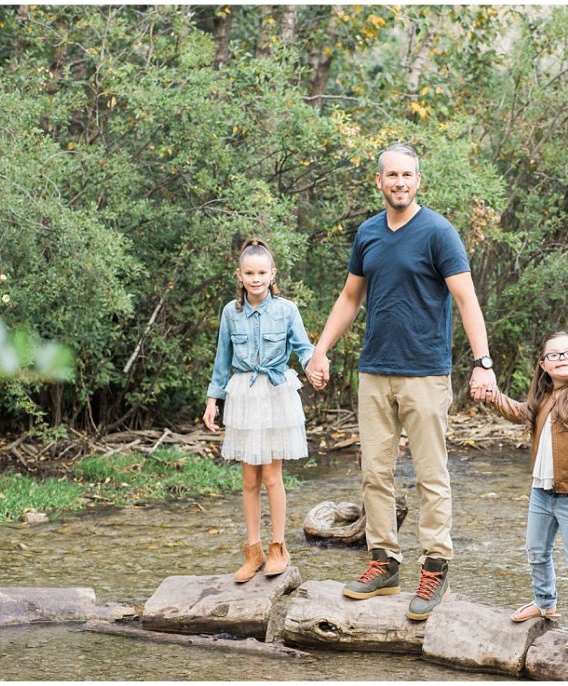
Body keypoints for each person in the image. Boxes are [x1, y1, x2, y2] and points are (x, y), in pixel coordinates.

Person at [305, 143, 497, 621]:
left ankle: (435, 566)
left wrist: (483, 361)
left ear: (418, 180)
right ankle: (384, 562)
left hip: (425, 373)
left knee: (432, 476)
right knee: (375, 473)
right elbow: (350, 298)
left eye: (407, 175)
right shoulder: (368, 233)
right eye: (391, 175)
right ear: (379, 181)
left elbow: (467, 301)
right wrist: (321, 348)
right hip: (374, 372)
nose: (399, 182)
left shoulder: (438, 233)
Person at [484, 331, 568, 650]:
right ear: (543, 364)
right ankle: (545, 602)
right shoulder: (544, 396)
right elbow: (520, 412)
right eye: (555, 355)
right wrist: (494, 396)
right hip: (543, 491)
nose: (564, 358)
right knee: (536, 551)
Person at [203, 238, 314, 583]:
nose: (256, 279)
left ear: (272, 273)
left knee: (271, 475)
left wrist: (314, 365)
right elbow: (222, 358)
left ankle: (278, 546)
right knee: (249, 477)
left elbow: (303, 346)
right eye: (249, 273)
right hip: (243, 394)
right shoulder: (229, 312)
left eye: (262, 272)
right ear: (239, 275)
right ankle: (253, 551)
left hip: (276, 393)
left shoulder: (286, 309)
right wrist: (212, 400)